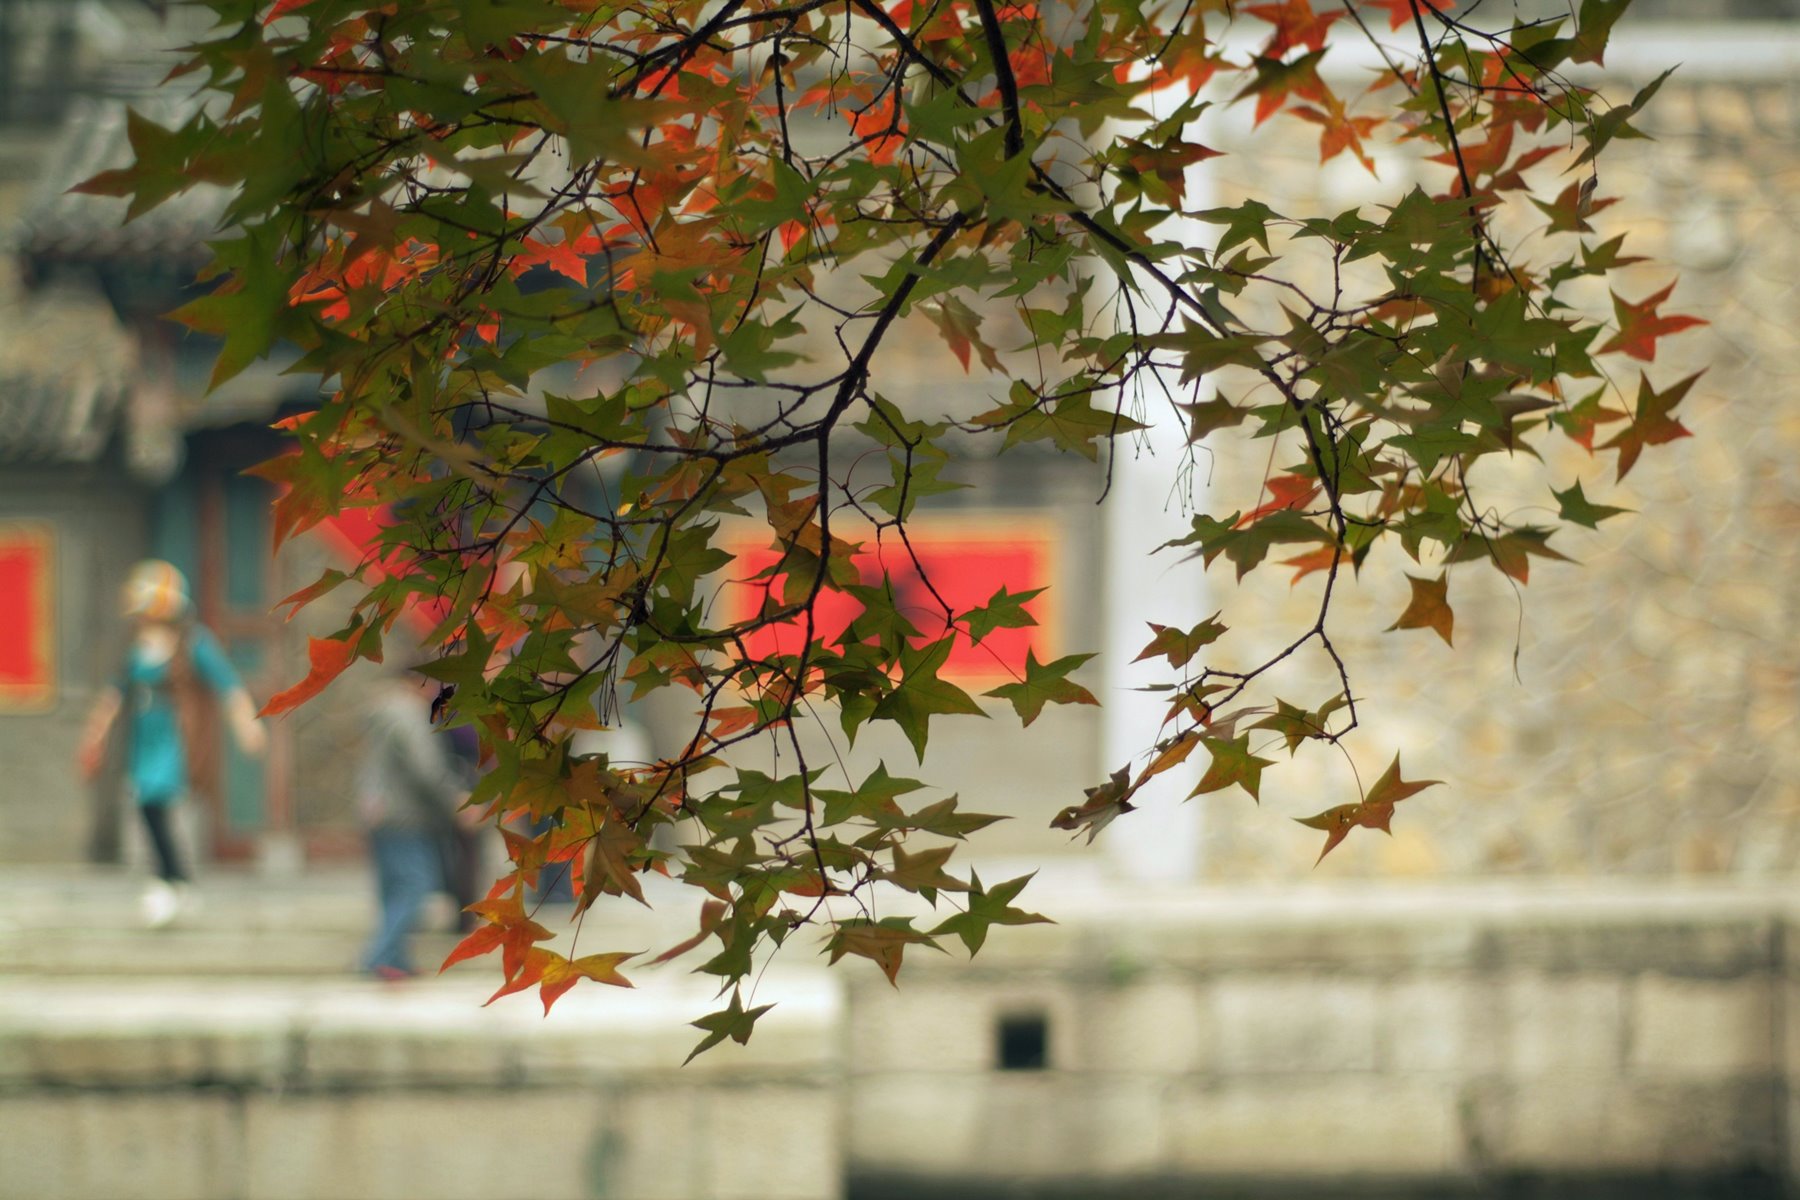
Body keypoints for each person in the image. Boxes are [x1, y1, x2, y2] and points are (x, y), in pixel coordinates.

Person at [76, 560, 267, 928]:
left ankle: (169, 880)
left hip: (176, 734)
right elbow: (115, 693)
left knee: (155, 801)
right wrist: (95, 734)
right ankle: (175, 880)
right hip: (144, 734)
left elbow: (228, 685)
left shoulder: (194, 642)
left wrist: (247, 725)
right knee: (146, 804)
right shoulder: (137, 647)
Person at [356, 673, 473, 980]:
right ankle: (379, 956)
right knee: (416, 884)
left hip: (381, 811)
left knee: (394, 889)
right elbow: (426, 769)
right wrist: (457, 801)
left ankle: (396, 958)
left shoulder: (385, 711)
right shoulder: (408, 715)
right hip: (404, 815)